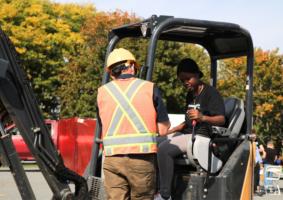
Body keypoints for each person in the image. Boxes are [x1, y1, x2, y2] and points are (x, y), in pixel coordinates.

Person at [96, 48, 171, 200]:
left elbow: (105, 123)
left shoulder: (102, 92)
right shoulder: (149, 87)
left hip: (112, 161)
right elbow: (163, 130)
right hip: (141, 160)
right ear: (131, 67)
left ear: (111, 73)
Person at [154, 58, 225, 200]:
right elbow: (187, 121)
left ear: (197, 74)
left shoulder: (211, 93)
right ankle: (155, 187)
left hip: (202, 136)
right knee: (155, 142)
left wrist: (202, 118)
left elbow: (221, 120)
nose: (185, 83)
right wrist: (173, 130)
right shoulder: (190, 94)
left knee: (164, 149)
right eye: (182, 81)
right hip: (189, 133)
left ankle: (165, 194)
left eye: (188, 78)